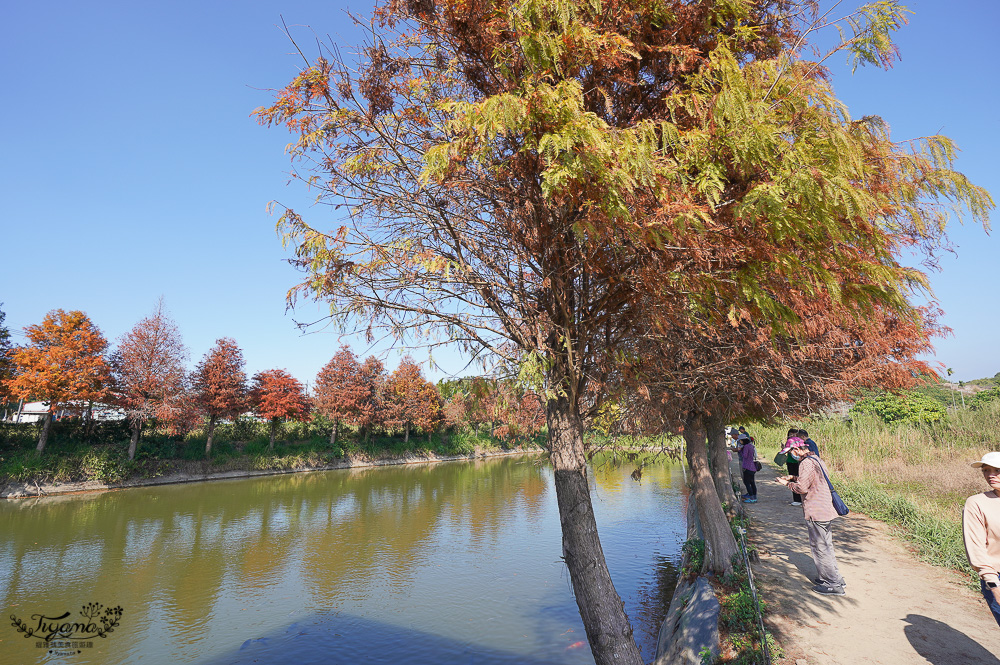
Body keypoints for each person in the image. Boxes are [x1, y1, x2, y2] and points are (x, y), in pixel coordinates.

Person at [775, 437, 847, 596]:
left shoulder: (805, 463)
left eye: (791, 452)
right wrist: (792, 477)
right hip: (824, 509)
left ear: (796, 450)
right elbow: (811, 481)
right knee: (827, 545)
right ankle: (834, 578)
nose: (791, 455)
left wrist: (786, 483)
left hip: (816, 511)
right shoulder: (816, 459)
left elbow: (802, 488)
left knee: (820, 547)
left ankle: (832, 584)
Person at [963, 452, 1000, 627]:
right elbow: (976, 547)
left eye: (997, 470)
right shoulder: (977, 503)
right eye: (986, 470)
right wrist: (993, 585)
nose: (990, 475)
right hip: (997, 576)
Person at [784, 428, 803, 506]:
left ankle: (799, 499)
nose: (792, 436)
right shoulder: (788, 442)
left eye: (794, 434)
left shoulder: (798, 442)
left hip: (797, 462)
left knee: (798, 480)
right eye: (791, 434)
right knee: (792, 479)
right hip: (790, 462)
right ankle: (796, 499)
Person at [737, 434, 758, 503]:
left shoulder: (745, 447)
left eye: (740, 440)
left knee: (747, 483)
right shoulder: (751, 446)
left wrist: (740, 450)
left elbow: (744, 456)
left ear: (743, 440)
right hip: (753, 467)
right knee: (752, 483)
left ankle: (751, 498)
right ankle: (755, 497)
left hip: (747, 467)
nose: (740, 442)